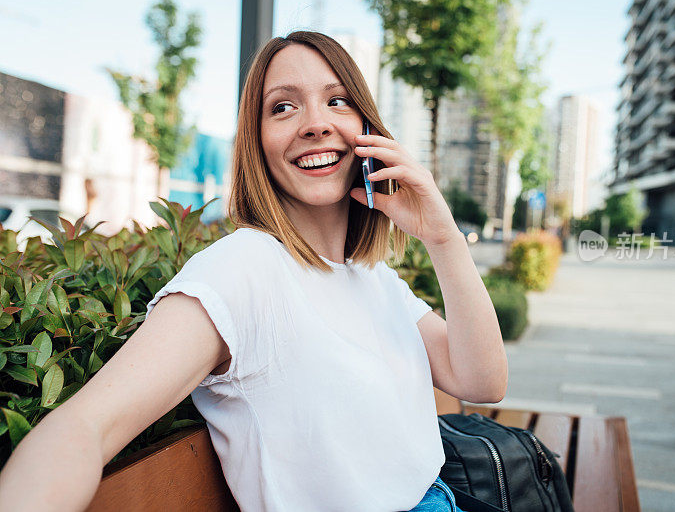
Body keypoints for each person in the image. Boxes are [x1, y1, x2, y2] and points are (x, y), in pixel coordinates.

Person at [0, 31, 507, 511]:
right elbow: (86, 426)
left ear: (368, 129)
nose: (315, 123)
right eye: (282, 107)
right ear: (256, 142)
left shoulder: (370, 276)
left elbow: (481, 380)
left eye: (337, 100)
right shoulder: (242, 270)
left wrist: (443, 238)